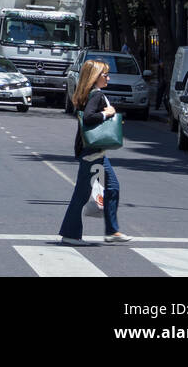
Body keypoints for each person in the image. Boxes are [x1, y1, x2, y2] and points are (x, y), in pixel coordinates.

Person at [59, 58, 134, 246]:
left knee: (111, 186)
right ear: (95, 77)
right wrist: (107, 114)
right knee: (83, 193)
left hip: (94, 151)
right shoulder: (96, 95)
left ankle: (111, 231)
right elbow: (90, 118)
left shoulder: (91, 94)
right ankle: (70, 233)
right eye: (105, 74)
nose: (108, 77)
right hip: (92, 152)